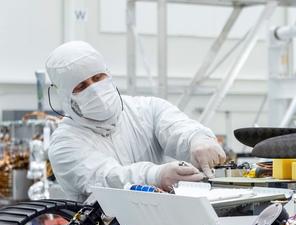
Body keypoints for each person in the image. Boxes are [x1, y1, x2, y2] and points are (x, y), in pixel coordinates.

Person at [45, 41, 225, 201]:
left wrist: (197, 139)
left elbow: (177, 127)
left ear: (108, 74)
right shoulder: (64, 143)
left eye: (98, 77)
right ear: (66, 96)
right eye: (82, 86)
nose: (95, 89)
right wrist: (156, 175)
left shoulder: (146, 109)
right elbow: (106, 178)